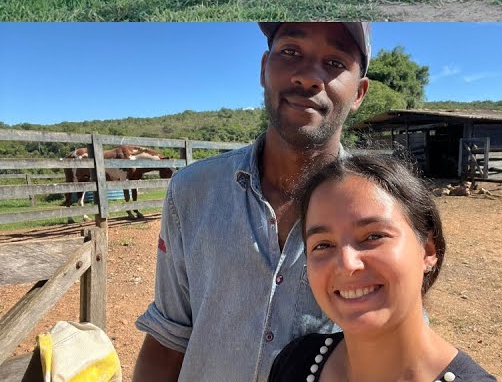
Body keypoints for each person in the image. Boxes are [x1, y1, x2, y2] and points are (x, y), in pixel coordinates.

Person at [132, 22, 371, 382]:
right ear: (264, 69)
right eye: (290, 52)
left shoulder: (382, 211)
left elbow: (402, 351)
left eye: (335, 62)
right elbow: (168, 340)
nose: (308, 77)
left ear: (359, 93)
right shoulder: (192, 192)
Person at [267, 154, 497, 381]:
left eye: (373, 236)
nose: (347, 264)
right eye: (323, 245)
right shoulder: (295, 363)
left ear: (427, 250)